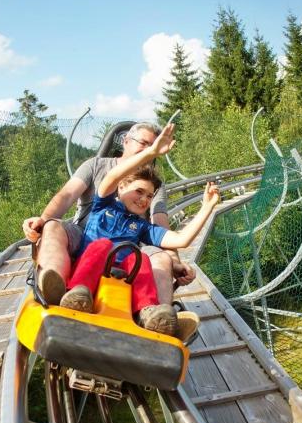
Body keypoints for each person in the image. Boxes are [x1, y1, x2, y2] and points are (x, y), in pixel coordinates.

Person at [55, 138, 220, 339]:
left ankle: (148, 311)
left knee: (138, 257)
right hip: (92, 268)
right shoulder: (103, 205)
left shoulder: (142, 226)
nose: (144, 200)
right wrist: (150, 153)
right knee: (103, 244)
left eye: (150, 196)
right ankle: (78, 293)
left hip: (123, 276)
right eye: (139, 191)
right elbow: (113, 176)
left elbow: (181, 240)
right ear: (122, 187)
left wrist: (207, 207)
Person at [22, 121, 196, 310]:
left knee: (161, 258)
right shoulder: (96, 165)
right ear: (126, 141)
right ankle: (53, 286)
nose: (152, 149)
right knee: (52, 226)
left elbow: (160, 222)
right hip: (85, 233)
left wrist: (175, 261)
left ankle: (162, 313)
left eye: (155, 145)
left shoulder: (153, 184)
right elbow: (66, 196)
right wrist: (43, 219)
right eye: (145, 143)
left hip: (130, 242)